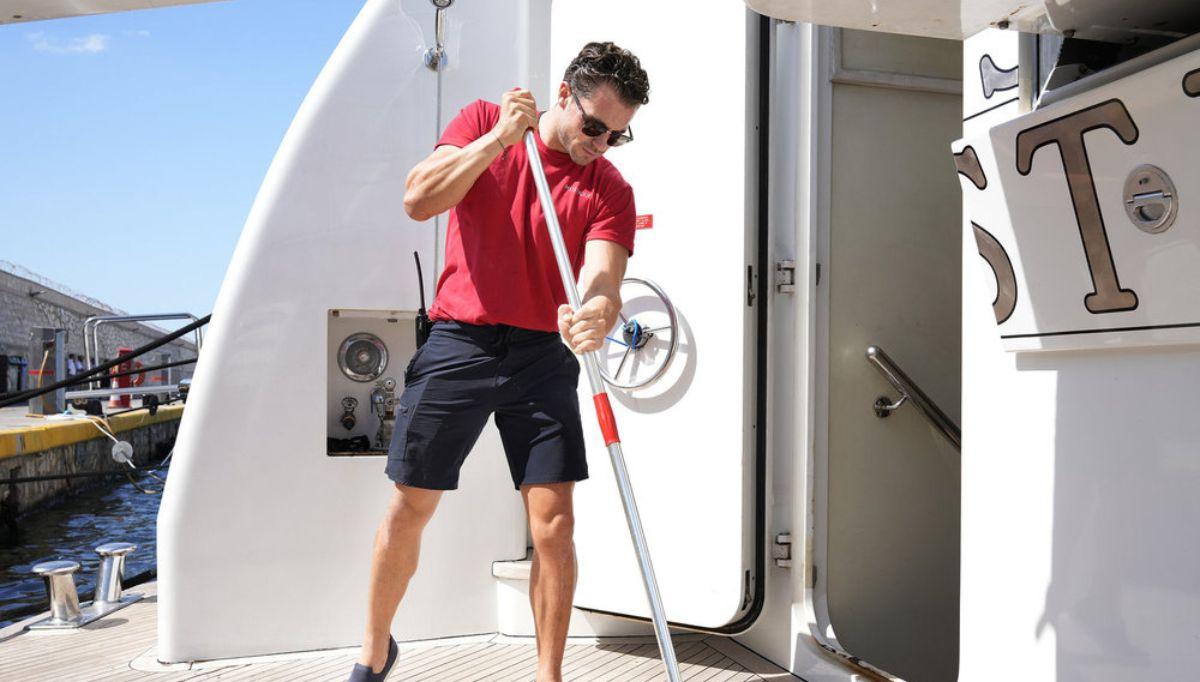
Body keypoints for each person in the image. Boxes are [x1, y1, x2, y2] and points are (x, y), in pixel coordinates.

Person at [347, 42, 650, 682]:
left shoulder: (608, 187)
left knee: (554, 525)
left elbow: (603, 277)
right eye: (593, 125)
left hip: (542, 354)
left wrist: (596, 311)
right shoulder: (486, 120)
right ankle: (373, 655)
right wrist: (499, 142)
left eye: (616, 136)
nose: (600, 143)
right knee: (411, 504)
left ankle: (548, 676)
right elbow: (419, 199)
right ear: (563, 95)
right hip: (461, 340)